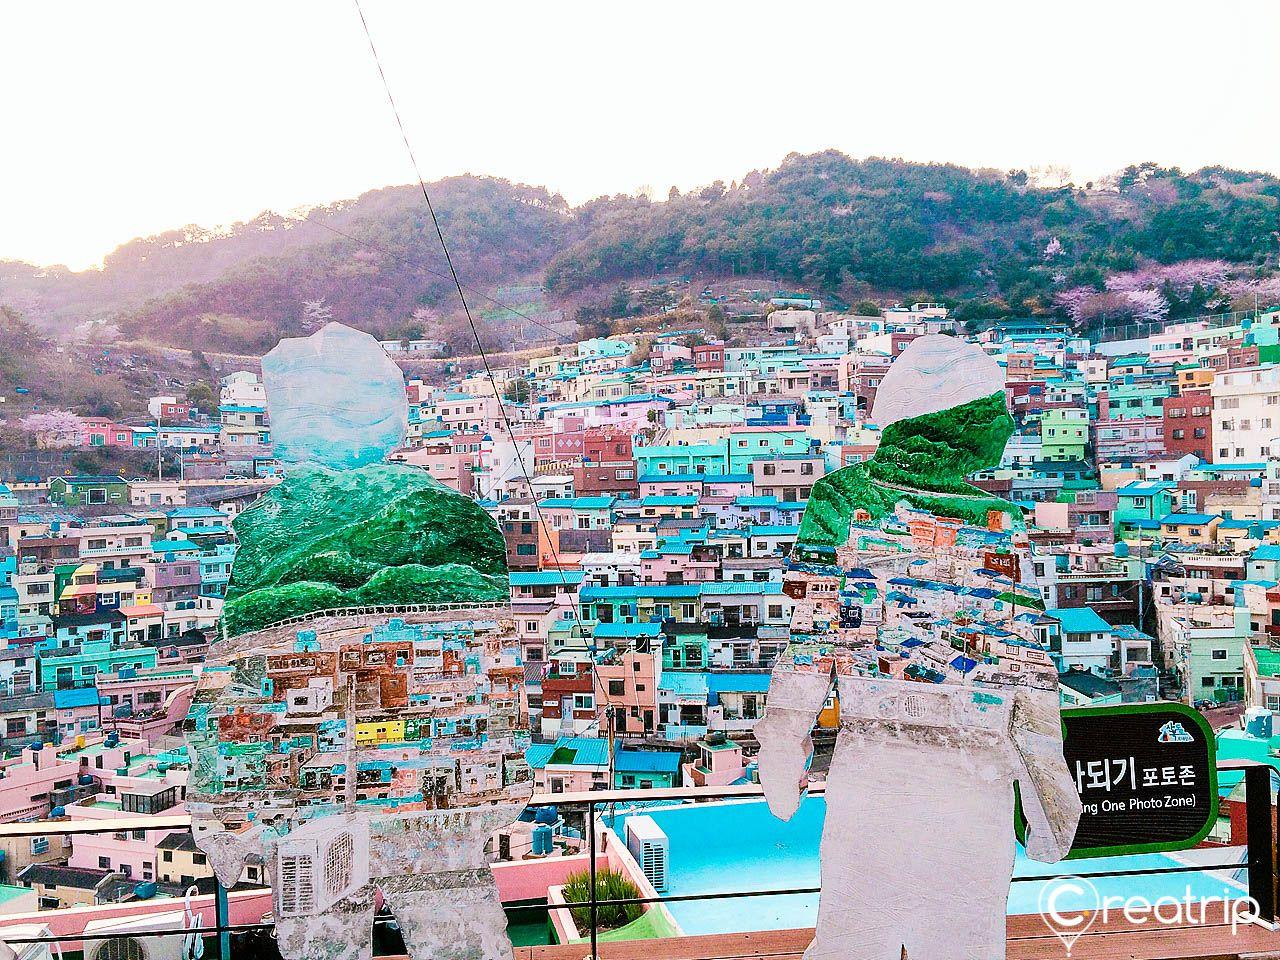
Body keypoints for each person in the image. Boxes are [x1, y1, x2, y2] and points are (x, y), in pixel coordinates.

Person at [756, 336, 1081, 960]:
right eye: (994, 411)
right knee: (963, 942)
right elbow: (1029, 677)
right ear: (964, 425)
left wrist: (782, 747)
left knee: (855, 934)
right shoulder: (997, 524)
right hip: (973, 781)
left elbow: (809, 644)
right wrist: (1048, 794)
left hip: (873, 771)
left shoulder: (843, 501)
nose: (1006, 424)